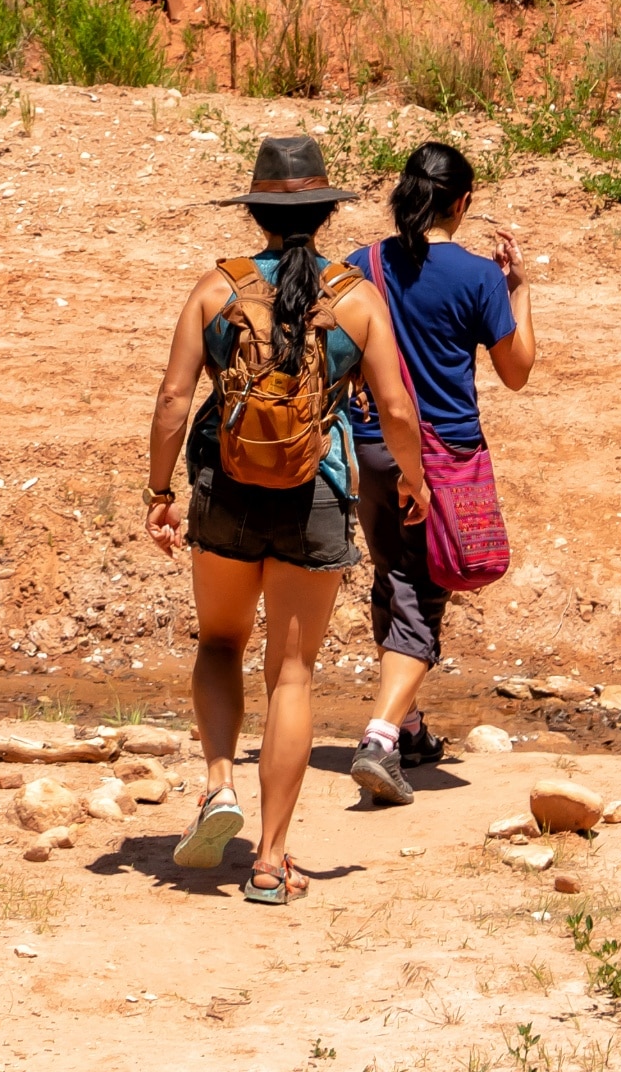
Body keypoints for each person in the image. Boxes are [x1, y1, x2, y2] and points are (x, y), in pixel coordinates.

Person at [144, 135, 429, 904]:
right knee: (292, 674)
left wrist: (158, 491)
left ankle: (216, 787)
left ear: (259, 212)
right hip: (318, 496)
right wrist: (415, 482)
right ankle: (272, 859)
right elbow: (396, 408)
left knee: (219, 643)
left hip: (226, 493)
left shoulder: (216, 290)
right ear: (326, 211)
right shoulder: (357, 298)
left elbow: (174, 399)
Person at [341, 141, 536, 806]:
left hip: (370, 449)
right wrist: (521, 288)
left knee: (393, 579)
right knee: (422, 599)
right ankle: (380, 739)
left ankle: (412, 728)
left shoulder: (361, 265)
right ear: (463, 202)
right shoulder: (480, 278)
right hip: (442, 461)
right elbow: (517, 372)